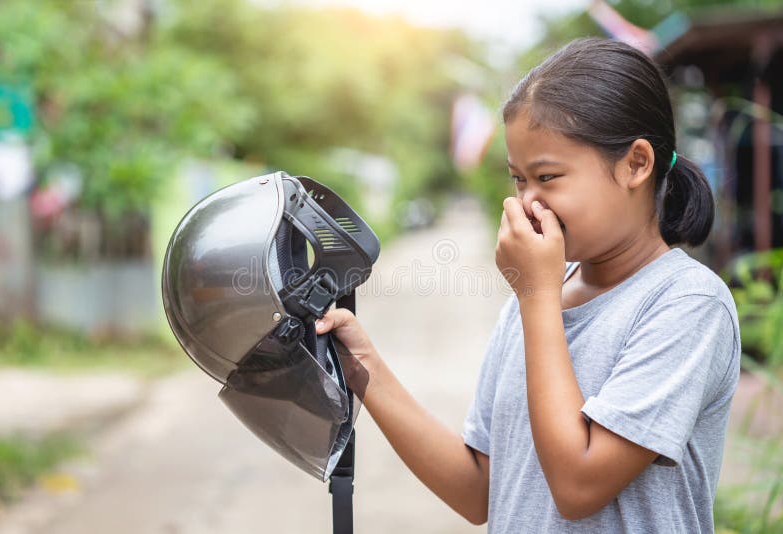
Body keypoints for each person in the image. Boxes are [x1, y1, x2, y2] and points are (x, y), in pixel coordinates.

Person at [316, 37, 741, 533]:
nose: (527, 204)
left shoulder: (687, 303)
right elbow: (479, 490)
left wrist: (536, 296)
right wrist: (361, 365)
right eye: (519, 180)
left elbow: (578, 485)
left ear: (636, 164)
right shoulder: (536, 298)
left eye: (548, 177)